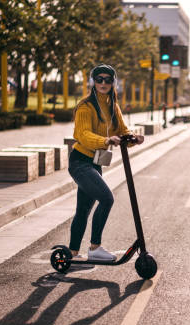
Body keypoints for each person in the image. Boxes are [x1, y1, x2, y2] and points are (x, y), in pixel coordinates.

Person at [68, 64, 143, 261]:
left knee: (83, 209)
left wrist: (133, 137)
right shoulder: (85, 106)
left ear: (113, 82)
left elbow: (122, 130)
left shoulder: (112, 106)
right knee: (107, 199)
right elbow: (83, 135)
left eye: (107, 79)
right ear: (93, 81)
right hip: (80, 161)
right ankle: (95, 248)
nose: (103, 83)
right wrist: (106, 141)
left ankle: (72, 253)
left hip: (95, 163)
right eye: (99, 79)